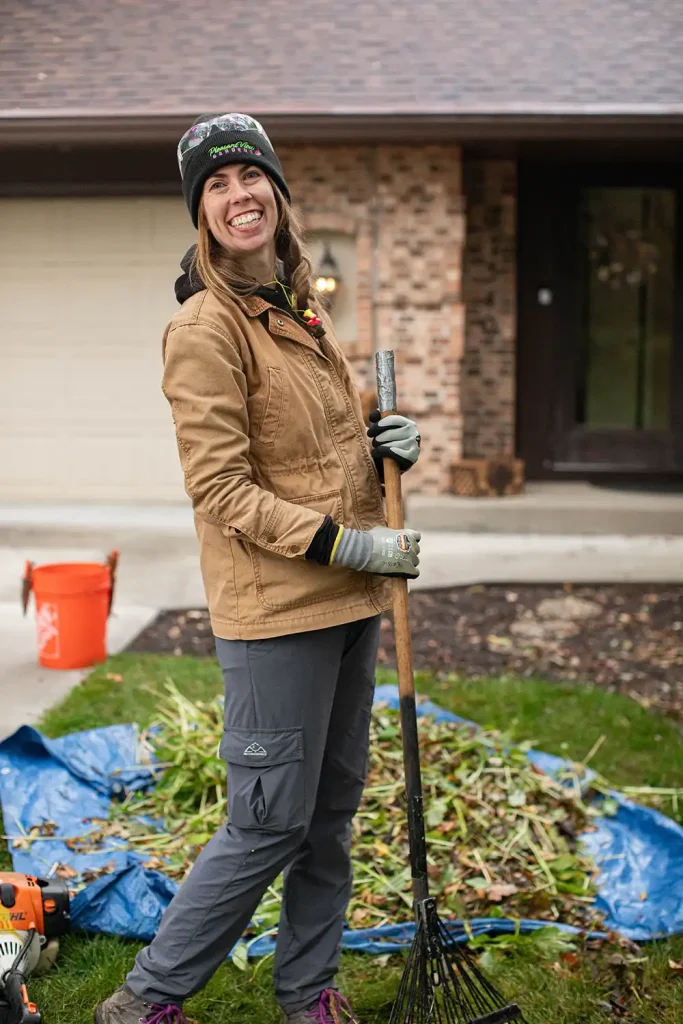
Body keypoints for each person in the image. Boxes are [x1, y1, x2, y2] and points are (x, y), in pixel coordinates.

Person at [95, 112, 422, 1024]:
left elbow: (319, 444)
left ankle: (306, 990)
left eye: (251, 178)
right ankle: (145, 1000)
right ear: (200, 211)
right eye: (217, 185)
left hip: (352, 601)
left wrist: (384, 441)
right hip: (277, 609)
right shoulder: (204, 328)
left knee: (329, 815)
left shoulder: (299, 306)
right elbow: (220, 487)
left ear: (276, 192)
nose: (239, 196)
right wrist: (344, 543)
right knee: (269, 820)